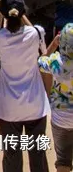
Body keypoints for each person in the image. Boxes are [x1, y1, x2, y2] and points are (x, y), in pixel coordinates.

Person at [0, 0, 49, 172]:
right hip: (35, 104)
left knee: (11, 154)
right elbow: (41, 44)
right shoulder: (36, 32)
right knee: (37, 154)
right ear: (23, 11)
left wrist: (1, 9)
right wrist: (21, 14)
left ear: (4, 12)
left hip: (7, 106)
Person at [38, 22, 73, 172]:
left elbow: (40, 61)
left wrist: (53, 44)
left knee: (63, 161)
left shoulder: (56, 63)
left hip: (61, 120)